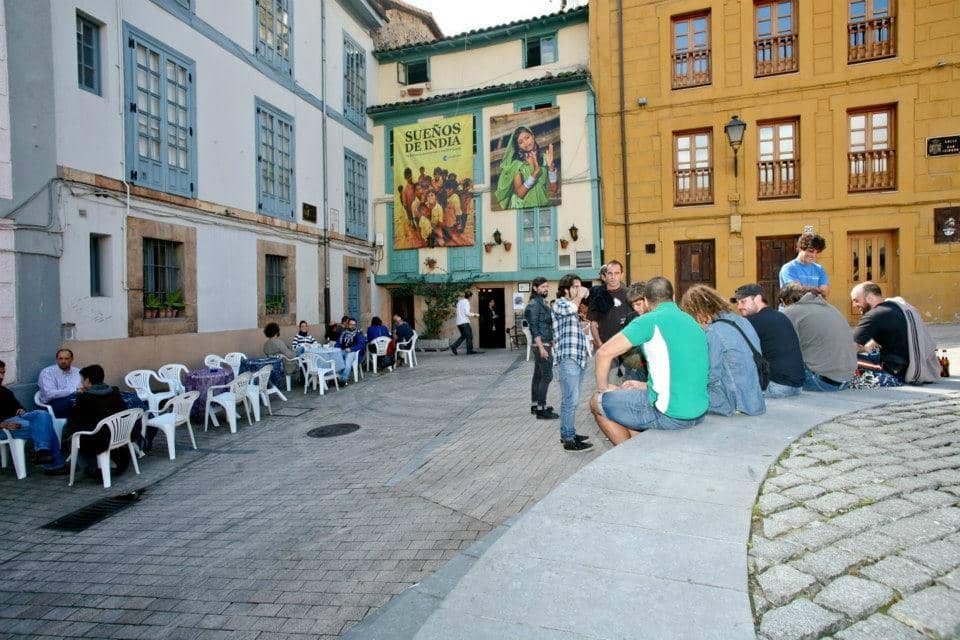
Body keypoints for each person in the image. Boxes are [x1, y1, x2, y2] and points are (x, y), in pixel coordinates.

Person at [589, 276, 708, 445]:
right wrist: (644, 385)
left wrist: (603, 389)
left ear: (645, 301)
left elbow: (603, 354)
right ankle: (640, 449)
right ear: (673, 297)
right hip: (698, 411)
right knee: (626, 405)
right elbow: (682, 369)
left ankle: (629, 455)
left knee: (596, 402)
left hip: (670, 414)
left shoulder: (649, 320)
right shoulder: (691, 321)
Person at [680, 285, 765, 416]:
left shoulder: (713, 332)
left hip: (733, 403)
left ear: (699, 312)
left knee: (678, 395)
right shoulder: (742, 321)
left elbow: (711, 376)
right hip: (755, 399)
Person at [850, 282, 940, 386]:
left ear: (870, 297)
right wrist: (868, 347)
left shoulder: (873, 315)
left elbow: (851, 347)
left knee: (847, 359)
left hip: (893, 370)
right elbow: (892, 332)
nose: (854, 305)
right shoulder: (897, 308)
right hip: (912, 365)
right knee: (871, 352)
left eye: (856, 300)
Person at [731, 284, 804, 398]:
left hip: (777, 387)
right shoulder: (780, 316)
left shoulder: (751, 322)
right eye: (738, 302)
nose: (739, 306)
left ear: (758, 298)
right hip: (797, 386)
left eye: (743, 301)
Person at [779, 284, 856, 391]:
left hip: (819, 381)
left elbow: (781, 348)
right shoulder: (831, 308)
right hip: (846, 379)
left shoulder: (791, 311)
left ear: (784, 300)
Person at [61, 364, 130, 479]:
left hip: (98, 440)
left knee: (73, 436)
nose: (81, 382)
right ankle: (118, 457)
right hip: (119, 434)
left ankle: (91, 468)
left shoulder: (85, 398)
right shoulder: (114, 392)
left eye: (82, 380)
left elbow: (76, 420)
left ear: (87, 380)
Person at [0, 359, 67, 474]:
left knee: (42, 415)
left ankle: (42, 452)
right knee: (46, 427)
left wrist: (20, 410)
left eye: (3, 373)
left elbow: (18, 407)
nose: (1, 376)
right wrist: (3, 424)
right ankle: (52, 464)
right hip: (6, 426)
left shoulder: (5, 391)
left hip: (18, 418)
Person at [552, 274, 593, 450]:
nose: (579, 289)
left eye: (580, 286)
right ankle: (569, 439)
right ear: (566, 288)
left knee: (570, 399)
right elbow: (570, 308)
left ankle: (568, 433)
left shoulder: (572, 306)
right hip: (568, 359)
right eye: (575, 286)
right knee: (571, 400)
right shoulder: (559, 303)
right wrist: (579, 296)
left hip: (577, 358)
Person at [494, 125, 559, 210]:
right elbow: (520, 193)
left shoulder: (545, 159)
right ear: (518, 146)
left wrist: (551, 167)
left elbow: (554, 189)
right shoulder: (517, 165)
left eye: (527, 137)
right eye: (521, 142)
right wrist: (535, 173)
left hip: (543, 206)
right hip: (523, 210)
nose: (526, 143)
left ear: (533, 136)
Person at [525, 277, 557, 420]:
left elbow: (544, 325)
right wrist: (541, 347)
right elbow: (534, 328)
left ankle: (536, 405)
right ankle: (542, 409)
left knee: (538, 376)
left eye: (547, 286)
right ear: (535, 288)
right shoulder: (534, 305)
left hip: (544, 343)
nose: (546, 289)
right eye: (543, 286)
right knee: (547, 376)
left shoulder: (540, 303)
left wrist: (552, 340)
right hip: (541, 345)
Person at [37, 348, 82, 419]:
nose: (63, 361)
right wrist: (73, 391)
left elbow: (82, 389)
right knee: (74, 402)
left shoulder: (78, 372)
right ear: (56, 359)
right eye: (60, 358)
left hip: (73, 401)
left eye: (66, 358)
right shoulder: (47, 372)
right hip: (51, 404)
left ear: (72, 359)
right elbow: (50, 394)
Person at [449, 290, 481, 356]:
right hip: (464, 322)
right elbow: (467, 313)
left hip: (459, 322)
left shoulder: (459, 302)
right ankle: (469, 351)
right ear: (470, 297)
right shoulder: (466, 302)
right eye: (471, 296)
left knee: (464, 336)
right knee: (469, 336)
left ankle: (454, 346)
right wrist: (475, 315)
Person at [335, 317, 367, 384]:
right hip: (344, 351)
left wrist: (351, 349)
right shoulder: (344, 333)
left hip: (354, 352)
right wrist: (336, 348)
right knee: (336, 357)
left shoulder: (358, 334)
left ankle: (344, 379)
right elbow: (338, 343)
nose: (353, 326)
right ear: (347, 325)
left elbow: (361, 345)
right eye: (351, 324)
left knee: (348, 359)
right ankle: (336, 376)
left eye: (354, 325)